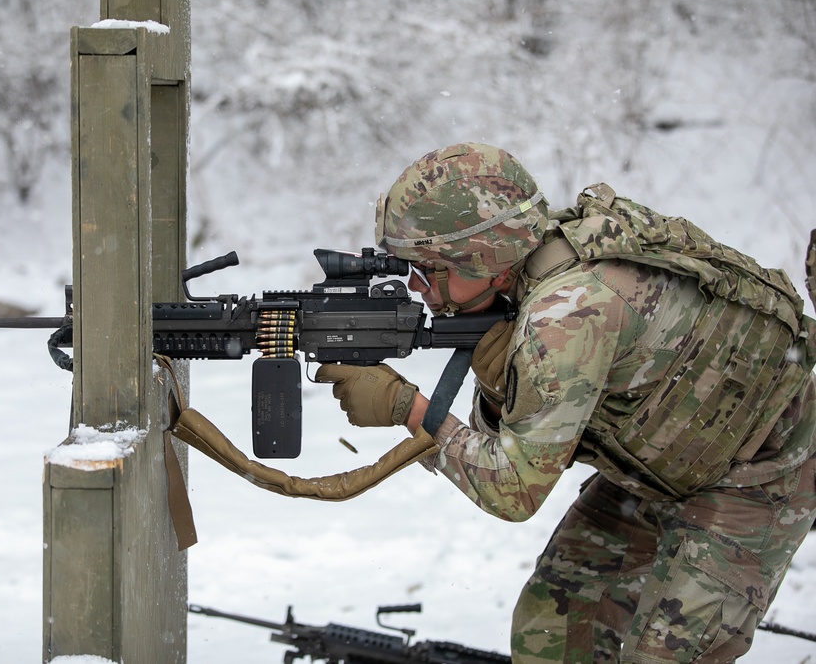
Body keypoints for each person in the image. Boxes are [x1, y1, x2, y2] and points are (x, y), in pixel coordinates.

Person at [314, 143, 816, 663]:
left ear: (482, 257)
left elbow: (514, 491)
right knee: (553, 624)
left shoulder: (567, 314)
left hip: (757, 476)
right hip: (657, 464)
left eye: (426, 269)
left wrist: (410, 410)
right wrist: (498, 388)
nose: (417, 287)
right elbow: (513, 441)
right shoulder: (528, 260)